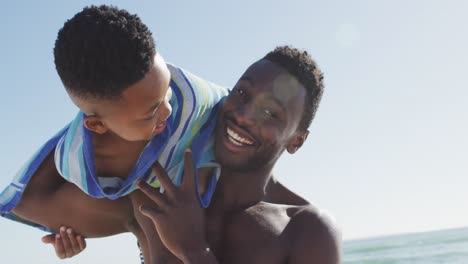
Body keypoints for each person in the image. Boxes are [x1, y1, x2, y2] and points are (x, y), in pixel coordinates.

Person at [56, 46, 341, 263]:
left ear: (296, 141)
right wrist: (68, 239)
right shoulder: (159, 187)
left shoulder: (306, 230)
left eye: (270, 113)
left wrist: (193, 249)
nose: (243, 116)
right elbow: (42, 205)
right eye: (242, 93)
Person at [0, 5, 227, 263]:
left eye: (166, 91)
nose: (168, 110)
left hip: (194, 188)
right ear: (97, 125)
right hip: (126, 200)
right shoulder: (76, 161)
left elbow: (244, 106)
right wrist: (68, 228)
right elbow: (25, 203)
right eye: (151, 112)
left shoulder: (191, 97)